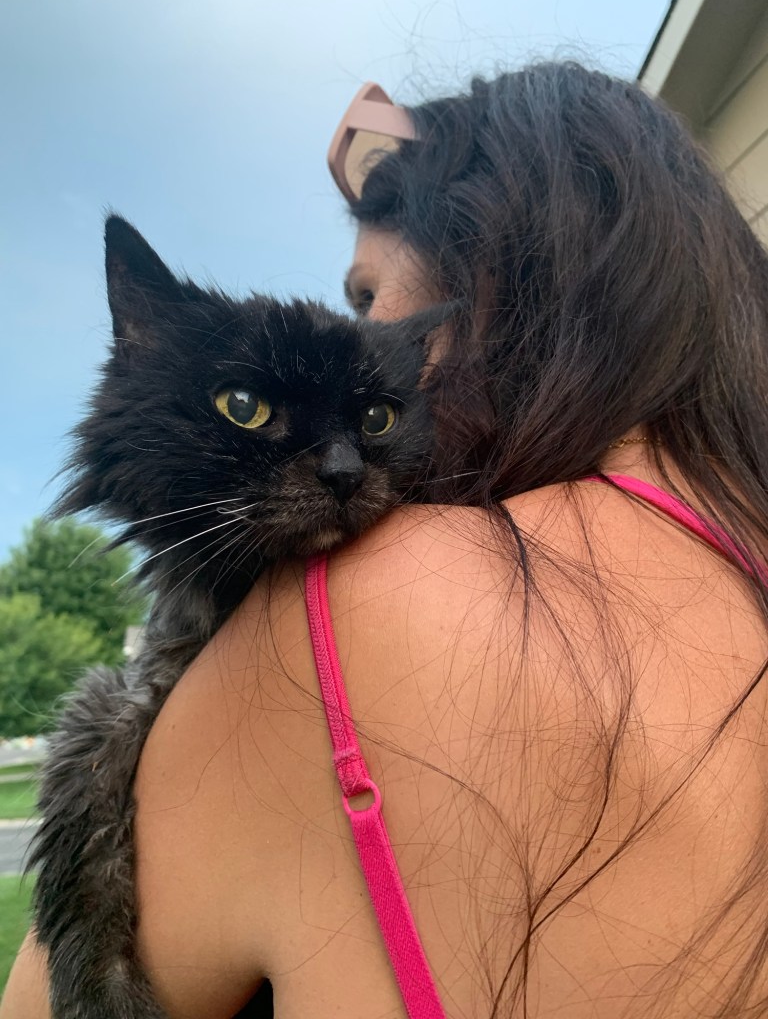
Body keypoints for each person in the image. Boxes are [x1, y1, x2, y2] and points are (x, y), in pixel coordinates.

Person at [4, 60, 768, 1019]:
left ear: (493, 279)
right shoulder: (742, 559)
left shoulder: (344, 621)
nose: (366, 329)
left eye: (365, 298)